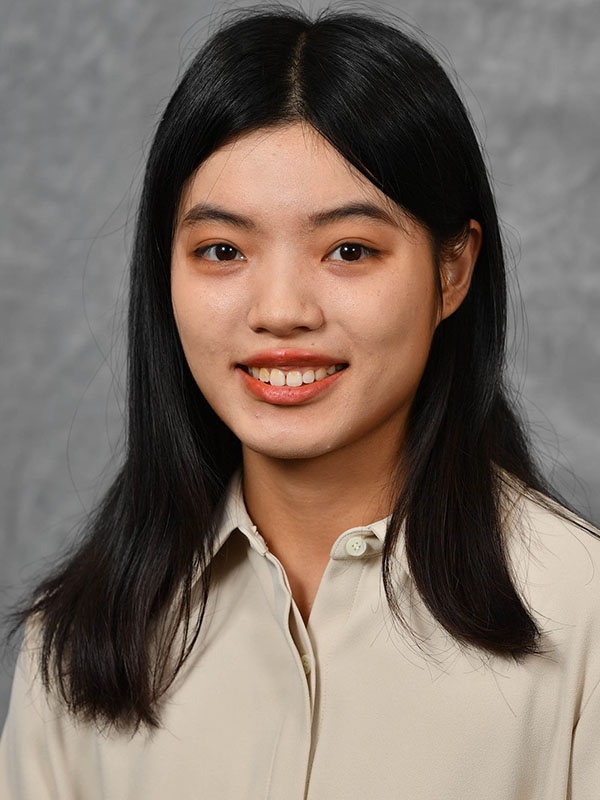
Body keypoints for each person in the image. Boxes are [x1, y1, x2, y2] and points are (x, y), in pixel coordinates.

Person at [1, 5, 598, 798]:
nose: (281, 311)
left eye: (349, 249)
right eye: (222, 250)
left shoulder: (584, 620)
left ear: (452, 271)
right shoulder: (76, 644)